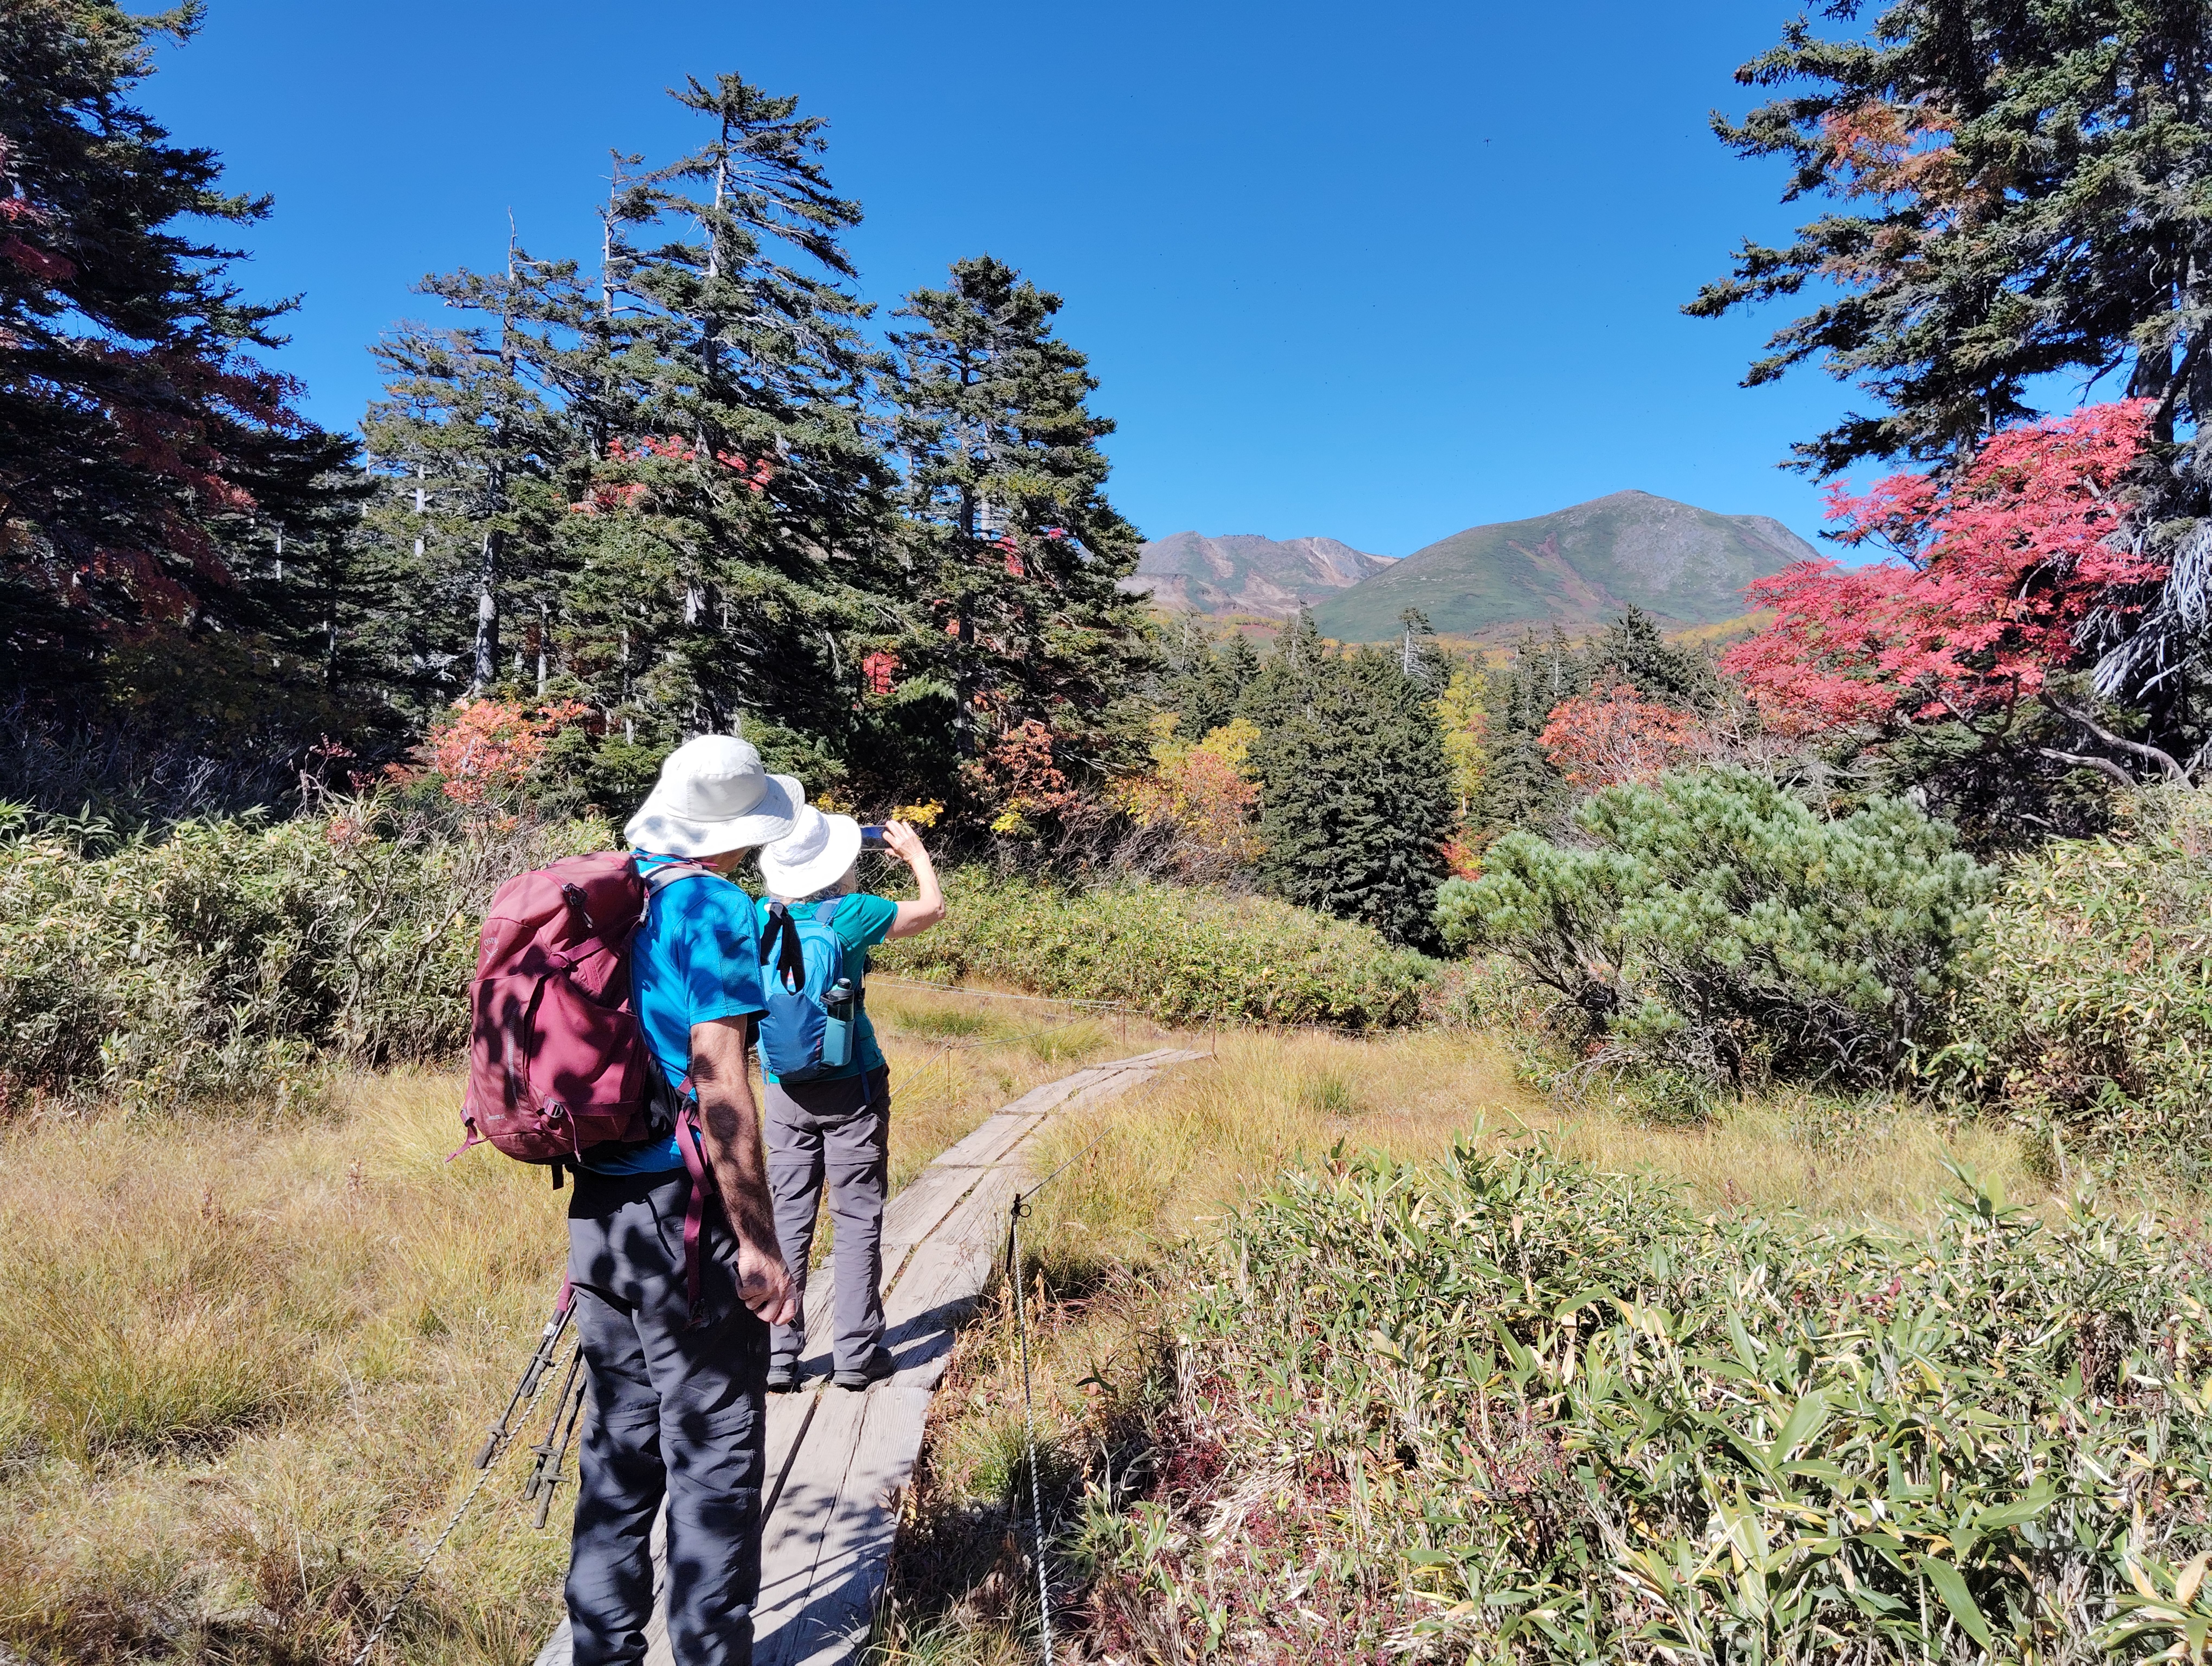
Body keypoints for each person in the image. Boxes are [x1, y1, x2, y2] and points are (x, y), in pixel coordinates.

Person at [564, 734, 803, 1666]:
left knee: (618, 1454)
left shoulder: (615, 896)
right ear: (737, 831)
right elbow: (721, 1082)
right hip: (684, 1216)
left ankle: (602, 1652)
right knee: (712, 1459)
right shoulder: (709, 906)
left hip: (600, 1212)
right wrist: (760, 1240)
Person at [753, 810, 945, 1392]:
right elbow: (932, 910)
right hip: (852, 1080)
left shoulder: (760, 916)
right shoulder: (855, 913)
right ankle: (857, 1356)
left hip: (783, 1087)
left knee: (788, 1215)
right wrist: (915, 856)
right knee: (858, 1216)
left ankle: (780, 1355)